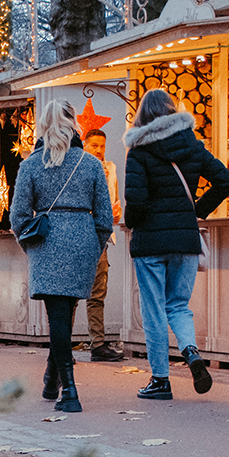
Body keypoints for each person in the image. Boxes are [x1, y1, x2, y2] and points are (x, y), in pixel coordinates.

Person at [123, 90, 229, 401]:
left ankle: (160, 379)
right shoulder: (192, 145)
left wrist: (132, 221)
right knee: (179, 304)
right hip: (185, 238)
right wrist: (196, 210)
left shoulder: (139, 151)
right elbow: (224, 179)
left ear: (143, 116)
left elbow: (138, 201)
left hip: (150, 242)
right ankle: (191, 352)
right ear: (172, 112)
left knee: (154, 309)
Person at [10, 99, 112, 413]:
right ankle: (51, 377)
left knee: (58, 315)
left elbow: (18, 215)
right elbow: (105, 218)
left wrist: (31, 247)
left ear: (44, 125)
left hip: (47, 241)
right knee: (66, 312)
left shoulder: (30, 165)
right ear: (74, 125)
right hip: (82, 239)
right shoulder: (92, 164)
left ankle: (69, 391)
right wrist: (94, 247)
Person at [83, 128, 124, 361]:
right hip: (80, 238)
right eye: (95, 145)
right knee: (71, 293)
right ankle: (62, 346)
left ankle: (97, 344)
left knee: (97, 293)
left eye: (102, 146)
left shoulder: (110, 170)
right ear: (85, 145)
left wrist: (115, 214)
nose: (99, 150)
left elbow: (114, 202)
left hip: (101, 239)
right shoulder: (78, 168)